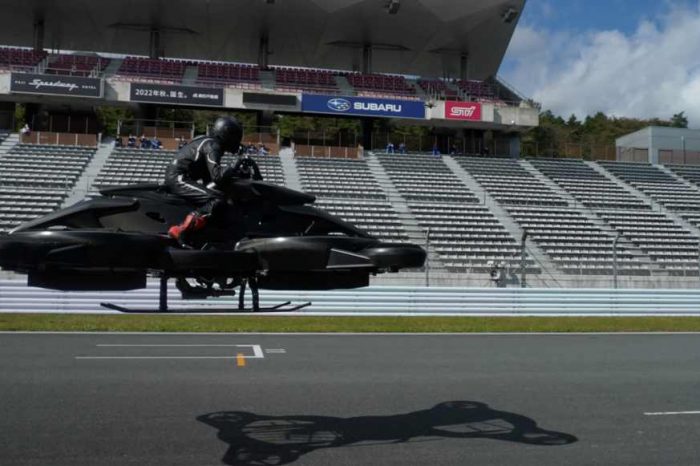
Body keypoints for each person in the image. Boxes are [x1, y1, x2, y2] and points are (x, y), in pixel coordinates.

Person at [166, 116, 248, 245]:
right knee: (216, 200)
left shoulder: (208, 142)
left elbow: (211, 180)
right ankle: (181, 230)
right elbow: (217, 176)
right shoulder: (212, 145)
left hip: (181, 177)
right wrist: (235, 164)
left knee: (219, 196)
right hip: (179, 178)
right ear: (226, 134)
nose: (237, 141)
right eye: (235, 136)